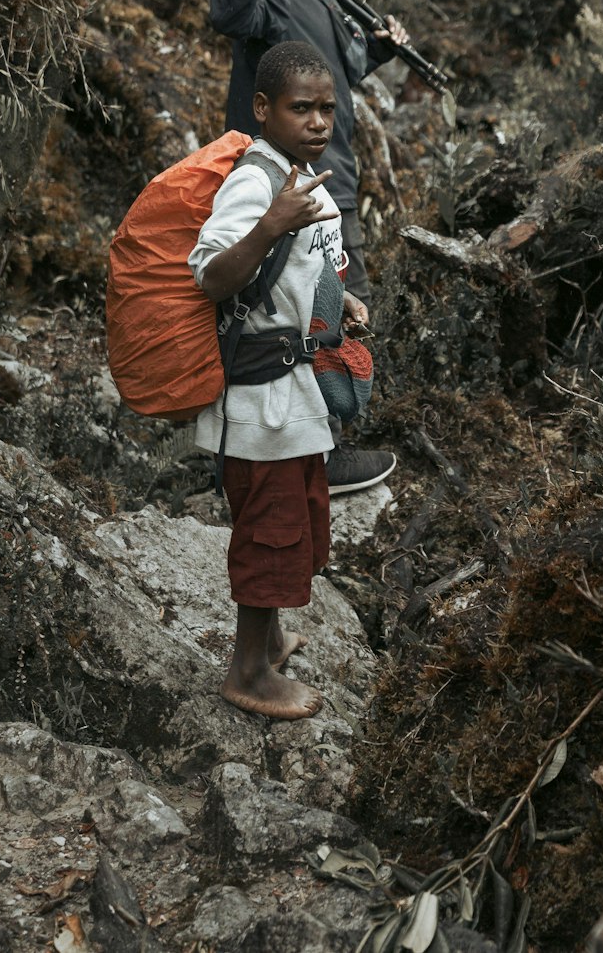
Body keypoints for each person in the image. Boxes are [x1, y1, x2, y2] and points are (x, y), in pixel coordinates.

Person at [188, 41, 392, 720]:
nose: (316, 122)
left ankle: (270, 640)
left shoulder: (301, 171)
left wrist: (341, 305)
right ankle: (247, 671)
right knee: (270, 531)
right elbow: (213, 274)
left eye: (326, 109)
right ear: (263, 108)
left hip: (292, 394)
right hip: (259, 400)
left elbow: (299, 273)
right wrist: (270, 222)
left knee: (301, 513)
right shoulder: (255, 181)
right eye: (299, 108)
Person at [209, 0, 408, 313]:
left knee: (338, 322)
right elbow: (229, 16)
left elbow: (328, 75)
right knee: (296, 319)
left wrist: (375, 53)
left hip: (331, 184)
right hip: (281, 188)